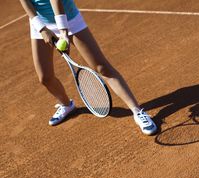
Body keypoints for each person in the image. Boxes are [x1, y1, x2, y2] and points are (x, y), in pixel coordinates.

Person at [19, 0, 157, 135]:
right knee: (45, 77)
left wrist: (63, 31)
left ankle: (138, 112)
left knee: (101, 67)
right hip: (40, 23)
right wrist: (42, 28)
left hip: (68, 18)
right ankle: (67, 105)